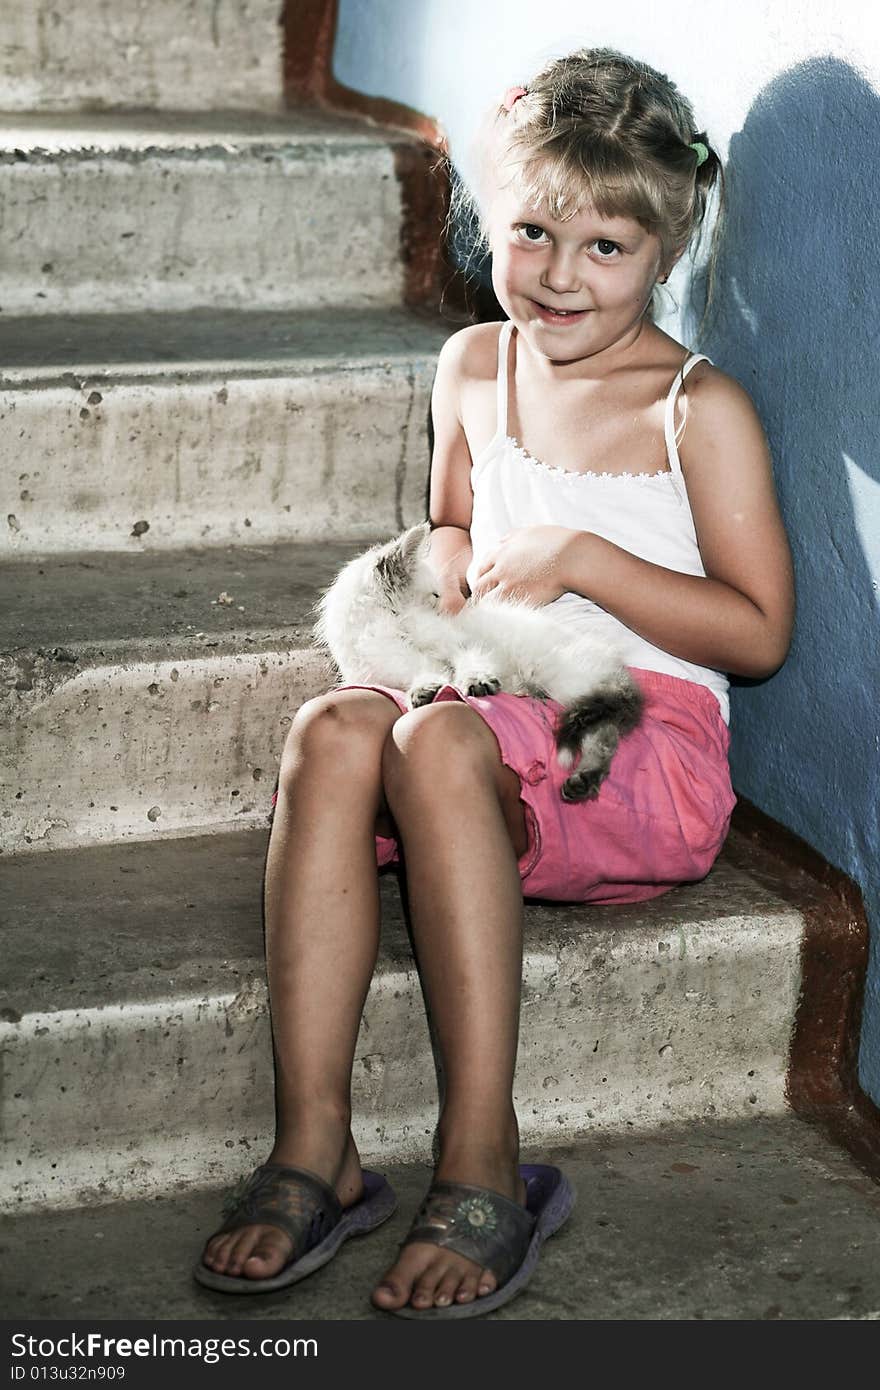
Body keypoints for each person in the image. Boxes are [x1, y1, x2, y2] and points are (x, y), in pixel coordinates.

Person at [195, 46, 794, 1317]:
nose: (560, 277)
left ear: (665, 248)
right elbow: (453, 519)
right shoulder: (472, 363)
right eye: (532, 233)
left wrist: (590, 558)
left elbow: (755, 633)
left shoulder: (696, 410)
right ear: (490, 219)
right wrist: (453, 552)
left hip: (636, 745)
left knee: (437, 747)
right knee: (332, 729)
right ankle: (319, 1148)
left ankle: (482, 1165)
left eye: (606, 248)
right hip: (492, 707)